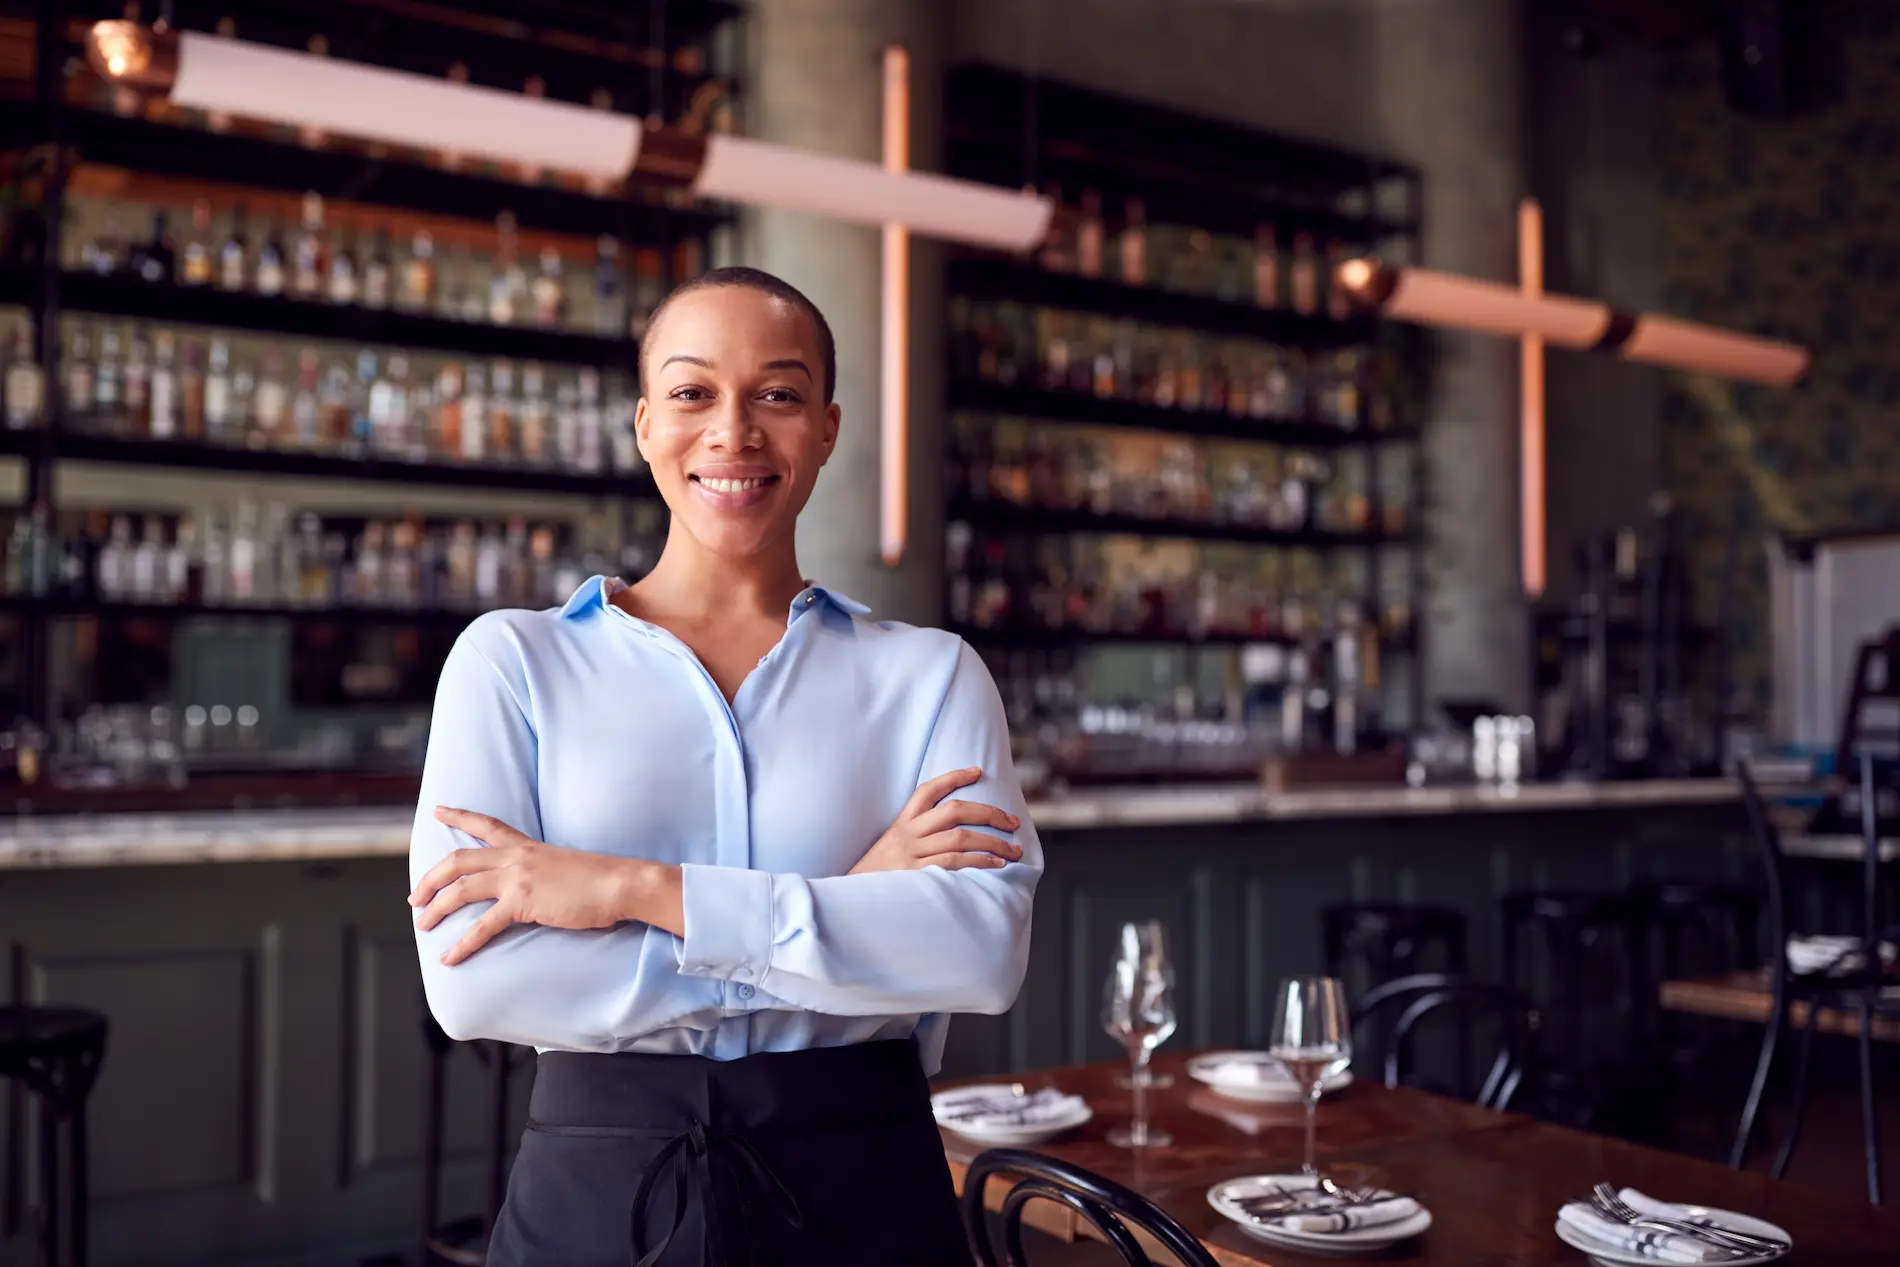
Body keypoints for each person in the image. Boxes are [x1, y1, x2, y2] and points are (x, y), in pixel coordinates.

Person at [406, 266, 1041, 1267]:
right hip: (601, 1184)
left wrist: (635, 890)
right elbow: (474, 984)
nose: (733, 432)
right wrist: (842, 912)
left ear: (826, 427)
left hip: (868, 1187)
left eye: (777, 395)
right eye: (694, 391)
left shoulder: (930, 676)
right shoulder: (514, 661)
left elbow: (978, 955)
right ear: (644, 420)